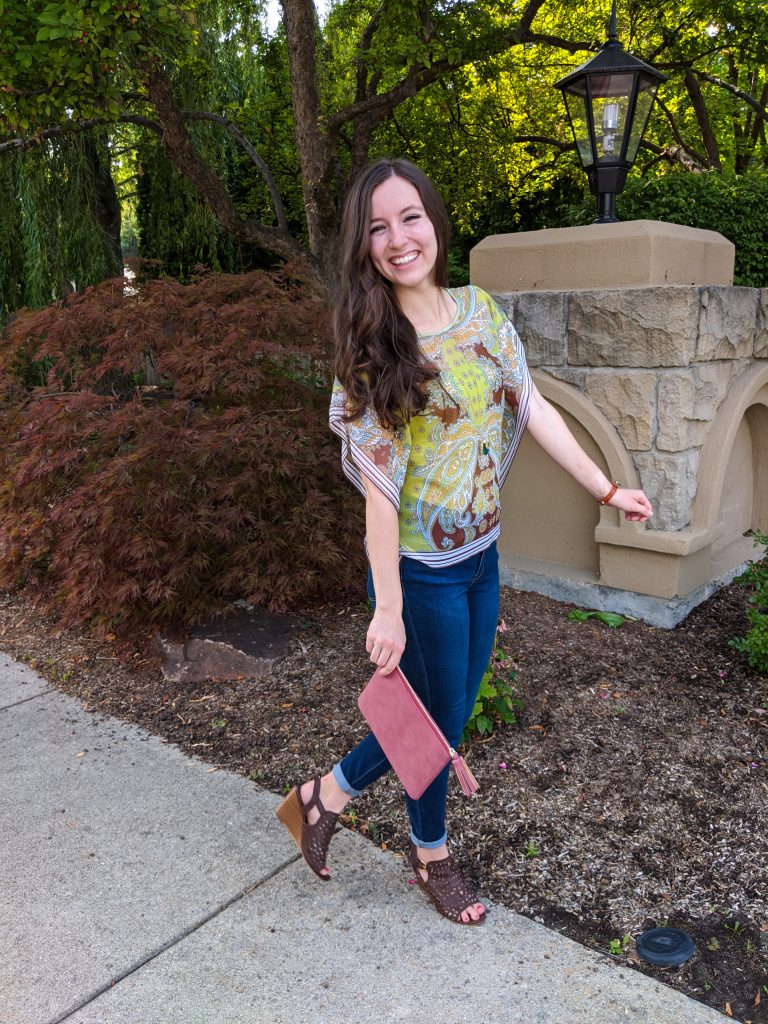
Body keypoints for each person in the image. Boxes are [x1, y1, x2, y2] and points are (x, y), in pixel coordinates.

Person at [277, 157, 653, 926]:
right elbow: (380, 495)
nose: (398, 238)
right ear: (364, 246)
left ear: (434, 221)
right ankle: (431, 856)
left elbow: (535, 404)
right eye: (378, 227)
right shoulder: (376, 347)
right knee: (442, 728)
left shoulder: (481, 312)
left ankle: (324, 796)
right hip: (425, 574)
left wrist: (607, 488)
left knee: (444, 716)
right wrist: (389, 608)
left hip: (482, 557)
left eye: (409, 216)